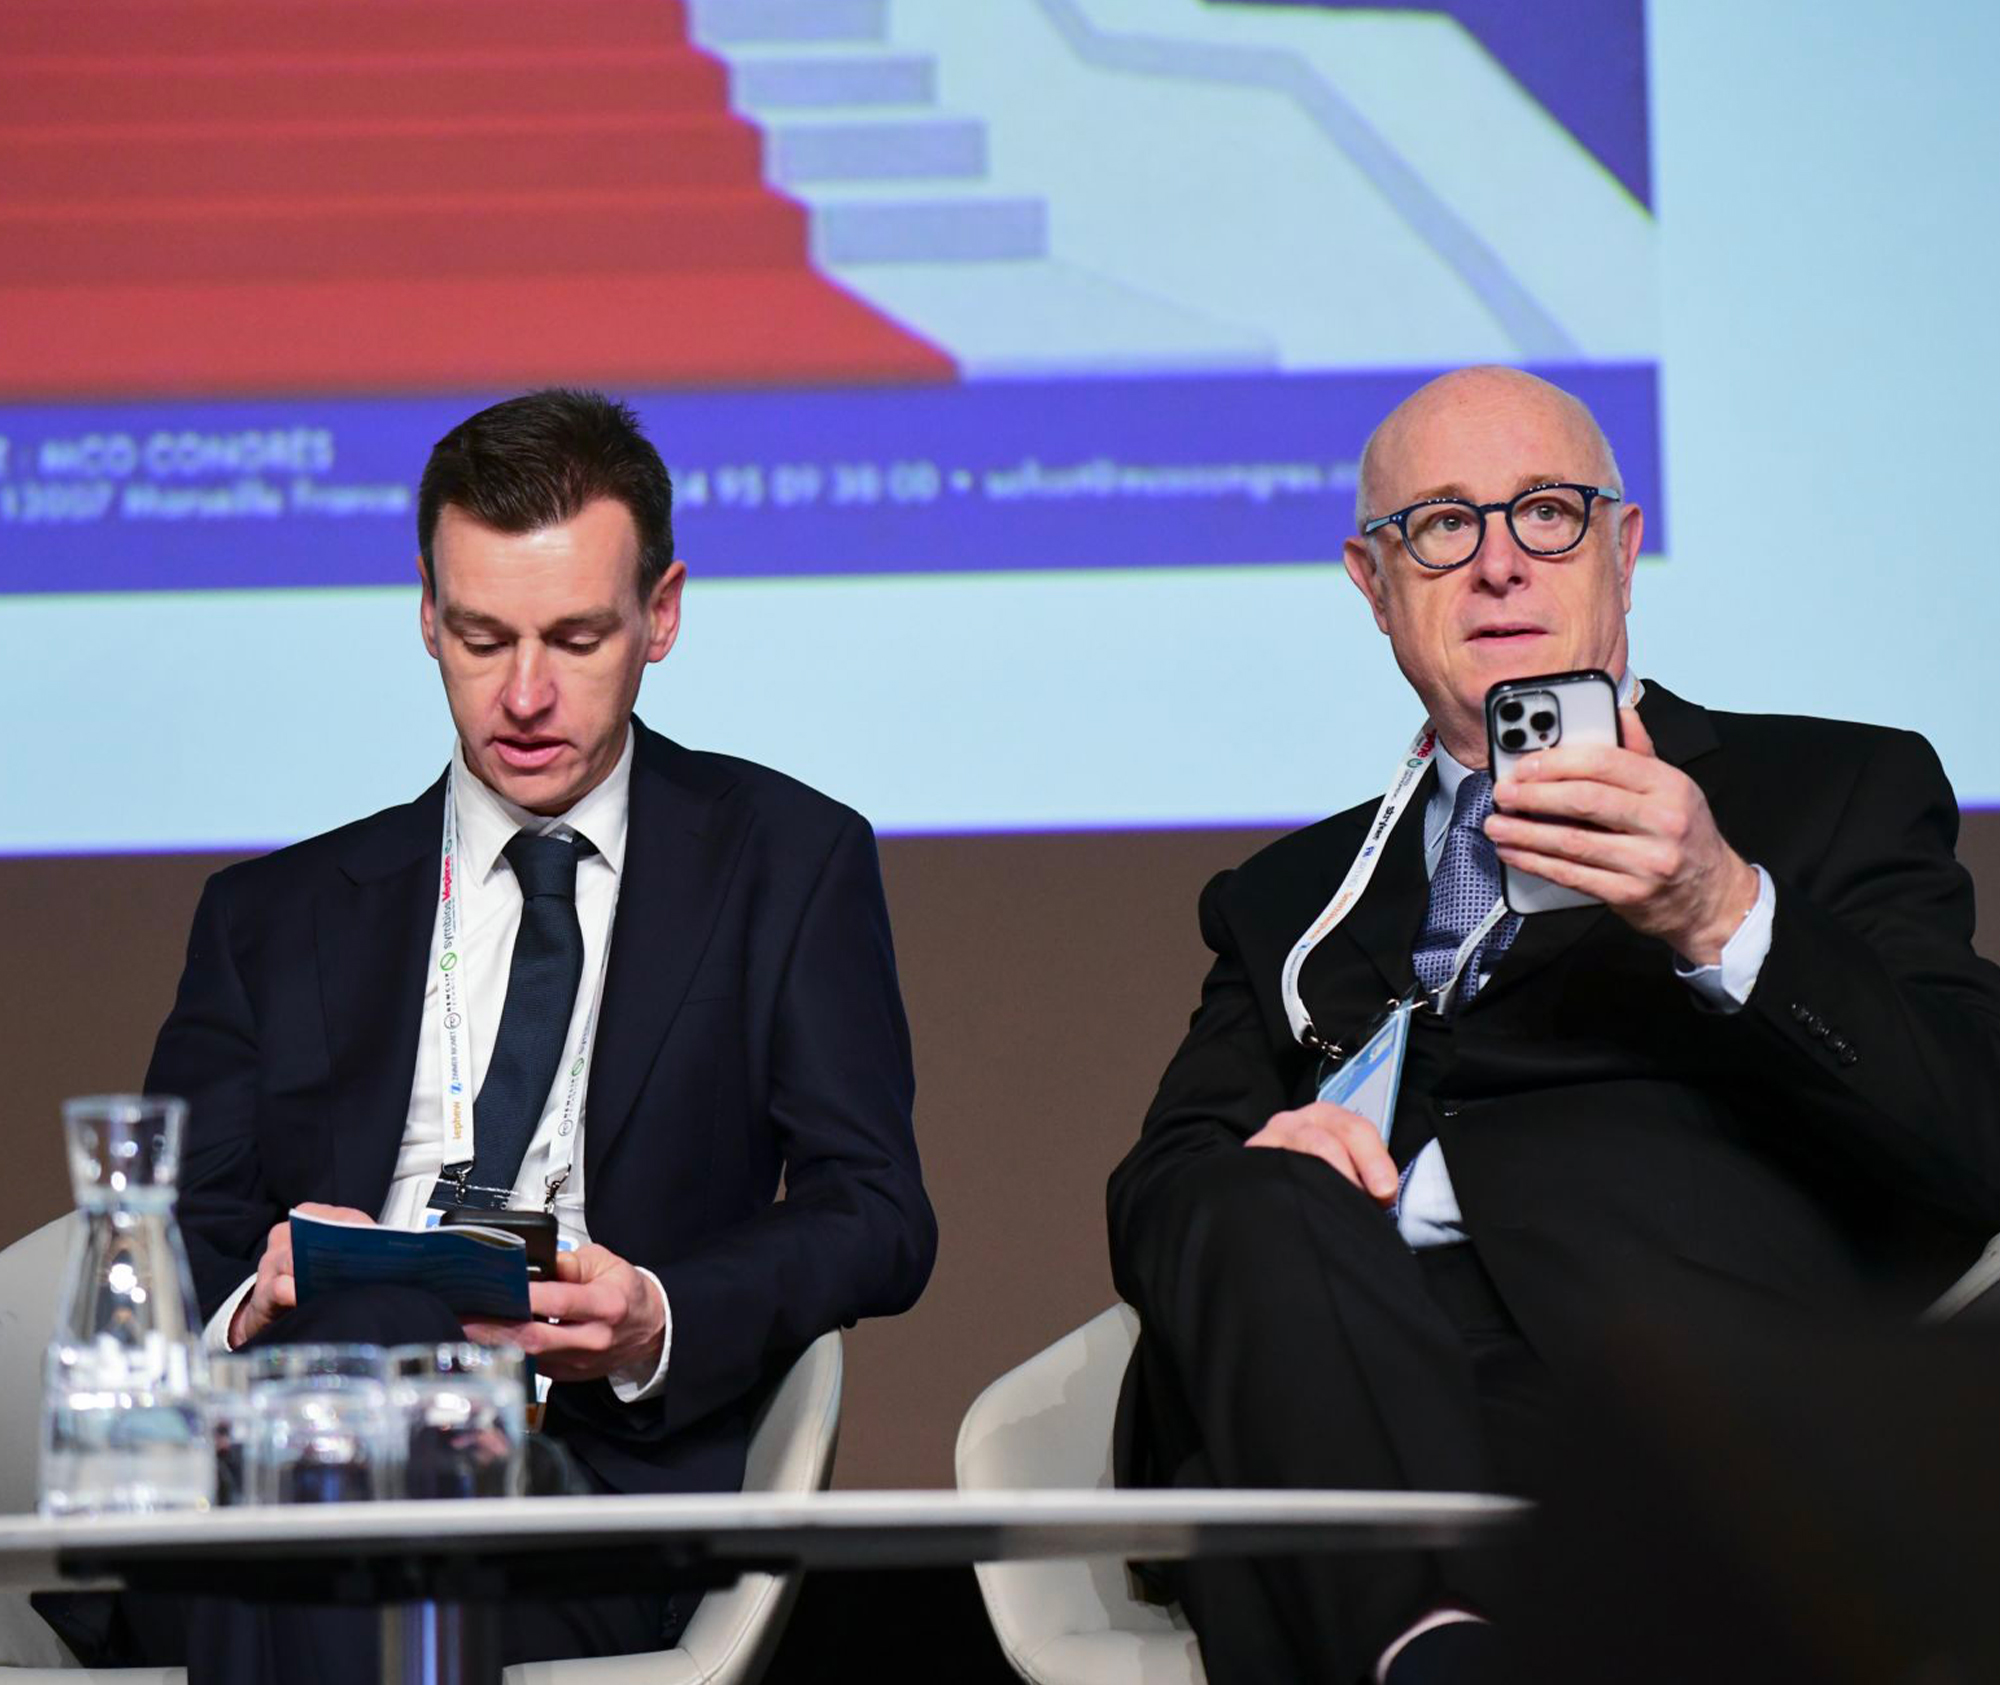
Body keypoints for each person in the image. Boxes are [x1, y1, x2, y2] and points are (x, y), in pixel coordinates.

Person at [1106, 366, 2000, 1684]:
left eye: (1547, 512)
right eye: (1441, 525)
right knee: (1247, 1202)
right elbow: (1158, 1193)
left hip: (1657, 1396)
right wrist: (1276, 1158)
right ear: (1372, 582)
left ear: (1623, 549)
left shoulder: (1828, 786)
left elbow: (1974, 1129)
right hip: (1337, 1387)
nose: (1499, 564)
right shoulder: (1290, 895)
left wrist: (1721, 904)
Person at [51, 389, 936, 1679]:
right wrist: (256, 1299)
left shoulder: (785, 863)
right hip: (283, 1446)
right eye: (481, 639)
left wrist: (655, 1314)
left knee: (319, 1540)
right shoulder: (273, 915)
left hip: (576, 1496)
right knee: (358, 1351)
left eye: (576, 638)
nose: (524, 695)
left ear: (662, 615)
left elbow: (878, 1210)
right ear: (427, 617)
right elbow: (179, 1229)